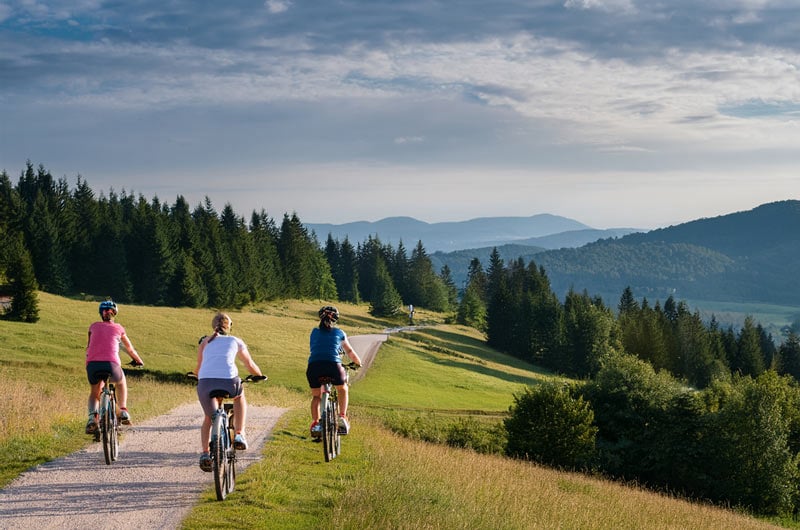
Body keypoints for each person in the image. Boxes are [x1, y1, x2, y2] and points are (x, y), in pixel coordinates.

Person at [194, 312, 264, 472]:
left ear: (213, 326)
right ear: (229, 326)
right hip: (229, 381)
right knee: (239, 396)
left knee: (209, 417)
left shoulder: (205, 341)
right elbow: (249, 364)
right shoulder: (235, 340)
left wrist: (196, 376)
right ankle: (239, 433)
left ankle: (205, 453)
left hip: (205, 383)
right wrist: (259, 375)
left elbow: (199, 367)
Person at [85, 300, 144, 434]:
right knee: (121, 381)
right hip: (112, 365)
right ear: (115, 313)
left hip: (92, 365)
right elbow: (130, 349)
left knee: (95, 393)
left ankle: (92, 418)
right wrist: (138, 361)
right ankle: (123, 410)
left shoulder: (93, 327)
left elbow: (88, 347)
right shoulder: (119, 328)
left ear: (101, 313)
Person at [307, 305, 362, 438]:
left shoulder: (314, 332)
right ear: (335, 320)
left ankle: (316, 423)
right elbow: (349, 351)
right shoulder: (339, 333)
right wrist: (358, 363)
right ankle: (342, 416)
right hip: (333, 365)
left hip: (314, 366)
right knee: (342, 389)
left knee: (316, 396)